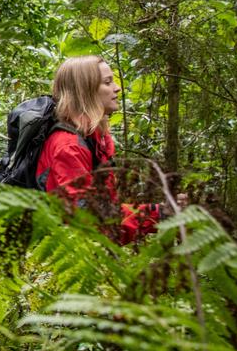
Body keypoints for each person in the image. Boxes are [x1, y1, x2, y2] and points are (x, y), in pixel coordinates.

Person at [36, 55, 186, 244]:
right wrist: (160, 214)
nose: (117, 88)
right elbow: (95, 224)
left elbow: (105, 209)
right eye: (107, 82)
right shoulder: (69, 148)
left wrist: (161, 211)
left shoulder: (95, 139)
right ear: (86, 91)